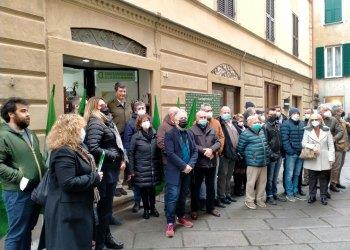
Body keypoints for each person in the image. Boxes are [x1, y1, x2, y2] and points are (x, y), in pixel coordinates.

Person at [45, 114, 103, 249]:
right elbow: (68, 182)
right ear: (72, 130)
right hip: (67, 211)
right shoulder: (63, 151)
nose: (84, 131)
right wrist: (94, 178)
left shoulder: (77, 147)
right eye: (81, 128)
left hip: (77, 207)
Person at [0, 97, 46, 250]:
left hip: (35, 190)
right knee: (16, 234)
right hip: (17, 193)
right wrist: (20, 177)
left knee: (27, 230)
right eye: (23, 111)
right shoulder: (3, 136)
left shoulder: (29, 133)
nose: (28, 114)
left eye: (28, 111)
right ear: (11, 114)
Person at [85, 97, 125, 250]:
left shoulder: (105, 121)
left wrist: (120, 156)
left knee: (106, 209)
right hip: (104, 172)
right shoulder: (95, 123)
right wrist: (113, 154)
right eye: (102, 105)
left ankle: (106, 238)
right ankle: (101, 243)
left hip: (110, 170)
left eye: (105, 104)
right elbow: (93, 147)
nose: (106, 107)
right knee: (104, 209)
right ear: (94, 108)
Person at [164, 109, 198, 237]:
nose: (184, 120)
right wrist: (183, 166)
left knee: (183, 196)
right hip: (174, 172)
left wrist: (190, 165)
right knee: (172, 197)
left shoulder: (189, 133)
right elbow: (170, 153)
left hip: (188, 171)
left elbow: (194, 151)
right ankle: (170, 222)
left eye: (185, 118)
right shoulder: (169, 134)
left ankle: (181, 217)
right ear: (174, 120)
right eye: (181, 118)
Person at [129, 114, 161, 219]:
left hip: (153, 166)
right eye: (143, 121)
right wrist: (132, 170)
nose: (146, 122)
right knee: (144, 189)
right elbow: (131, 154)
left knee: (152, 189)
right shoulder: (136, 137)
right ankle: (146, 209)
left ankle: (153, 208)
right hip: (141, 167)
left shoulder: (155, 135)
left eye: (147, 120)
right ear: (139, 123)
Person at [190, 110, 221, 218]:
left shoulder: (211, 129)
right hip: (199, 164)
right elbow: (192, 145)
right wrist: (204, 151)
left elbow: (218, 142)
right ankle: (194, 209)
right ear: (197, 119)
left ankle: (211, 207)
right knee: (196, 187)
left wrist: (212, 150)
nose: (203, 119)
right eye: (201, 117)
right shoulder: (191, 130)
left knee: (211, 187)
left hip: (211, 163)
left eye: (205, 117)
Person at [237, 115, 270, 210]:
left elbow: (265, 144)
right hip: (253, 162)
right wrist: (251, 156)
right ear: (249, 124)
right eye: (255, 122)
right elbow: (240, 148)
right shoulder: (245, 134)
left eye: (258, 122)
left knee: (262, 182)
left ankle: (259, 199)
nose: (257, 124)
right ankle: (249, 200)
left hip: (263, 161)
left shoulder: (261, 132)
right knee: (251, 183)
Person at [302, 114, 335, 205]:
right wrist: (313, 147)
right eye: (312, 120)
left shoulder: (326, 130)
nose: (314, 121)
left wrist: (331, 158)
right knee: (312, 178)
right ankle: (312, 196)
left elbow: (331, 145)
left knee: (323, 178)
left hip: (324, 157)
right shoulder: (307, 130)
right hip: (312, 157)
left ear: (320, 120)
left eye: (316, 119)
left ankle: (323, 196)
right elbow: (303, 143)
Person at [108, 83, 131, 197]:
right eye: (121, 91)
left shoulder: (128, 104)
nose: (123, 93)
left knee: (124, 162)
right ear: (116, 91)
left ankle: (120, 184)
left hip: (127, 137)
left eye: (124, 91)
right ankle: (115, 186)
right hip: (116, 138)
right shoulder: (110, 105)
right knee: (116, 162)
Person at [200, 104, 225, 208]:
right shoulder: (196, 123)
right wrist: (206, 152)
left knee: (213, 178)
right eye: (206, 110)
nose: (209, 112)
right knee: (202, 180)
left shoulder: (216, 122)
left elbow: (221, 137)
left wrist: (217, 150)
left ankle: (213, 199)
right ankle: (202, 200)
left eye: (210, 110)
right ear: (202, 111)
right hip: (202, 157)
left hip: (215, 155)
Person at [124, 100, 147, 213]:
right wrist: (129, 157)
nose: (142, 110)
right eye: (139, 108)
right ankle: (137, 202)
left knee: (147, 182)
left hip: (147, 157)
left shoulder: (148, 120)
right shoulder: (130, 123)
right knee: (136, 182)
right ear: (135, 110)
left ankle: (147, 203)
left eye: (143, 108)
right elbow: (127, 142)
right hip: (136, 157)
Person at [281, 107, 305, 202]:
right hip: (291, 154)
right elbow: (284, 140)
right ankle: (289, 193)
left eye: (298, 114)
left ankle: (295, 191)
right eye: (295, 114)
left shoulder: (302, 124)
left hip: (300, 153)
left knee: (297, 174)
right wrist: (290, 151)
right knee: (289, 174)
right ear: (290, 114)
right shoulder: (286, 124)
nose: (297, 115)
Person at [319, 104, 344, 193]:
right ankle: (320, 186)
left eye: (328, 110)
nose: (327, 111)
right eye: (325, 110)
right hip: (319, 148)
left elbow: (340, 131)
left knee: (332, 167)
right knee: (321, 168)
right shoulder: (316, 119)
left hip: (331, 147)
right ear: (320, 111)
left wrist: (334, 138)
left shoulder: (333, 120)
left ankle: (330, 186)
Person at [217, 106, 239, 204]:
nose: (226, 114)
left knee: (229, 175)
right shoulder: (219, 123)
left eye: (228, 112)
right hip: (224, 154)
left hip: (233, 153)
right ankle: (222, 195)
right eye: (224, 112)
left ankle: (228, 194)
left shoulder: (232, 123)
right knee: (223, 175)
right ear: (220, 113)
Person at [264, 108, 286, 205]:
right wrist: (271, 154)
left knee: (275, 177)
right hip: (271, 155)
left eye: (274, 114)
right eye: (271, 114)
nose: (273, 116)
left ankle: (274, 193)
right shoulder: (265, 127)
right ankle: (269, 196)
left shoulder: (278, 125)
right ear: (267, 115)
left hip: (279, 154)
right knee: (270, 177)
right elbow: (265, 143)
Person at [332, 105, 349, 189]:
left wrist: (348, 125)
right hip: (338, 146)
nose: (342, 111)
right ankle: (333, 184)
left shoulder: (342, 120)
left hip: (343, 146)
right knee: (336, 166)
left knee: (340, 165)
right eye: (341, 110)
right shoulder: (334, 120)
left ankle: (337, 182)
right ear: (337, 112)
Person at [233, 114, 246, 196]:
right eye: (239, 121)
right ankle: (237, 189)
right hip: (238, 154)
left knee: (244, 173)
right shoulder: (235, 129)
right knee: (238, 173)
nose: (241, 122)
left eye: (242, 121)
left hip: (245, 154)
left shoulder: (245, 128)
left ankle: (242, 188)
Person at [301, 108, 313, 186]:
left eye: (308, 113)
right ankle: (306, 179)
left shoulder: (314, 122)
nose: (306, 114)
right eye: (305, 113)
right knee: (306, 165)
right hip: (305, 146)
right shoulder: (302, 123)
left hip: (314, 146)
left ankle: (313, 180)